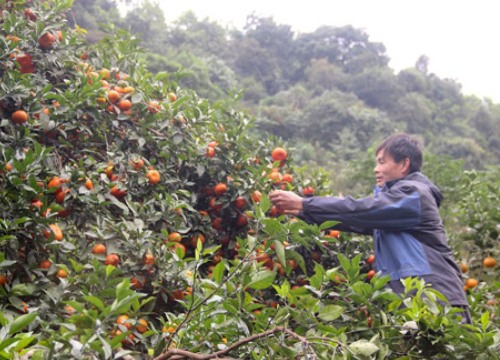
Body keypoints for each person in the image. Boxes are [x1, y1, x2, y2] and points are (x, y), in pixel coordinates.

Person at [269, 133, 471, 323]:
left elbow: (362, 210)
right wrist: (304, 212)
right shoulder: (396, 202)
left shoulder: (413, 194)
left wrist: (306, 204)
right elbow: (355, 220)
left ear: (404, 165)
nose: (376, 169)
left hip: (437, 298)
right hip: (413, 299)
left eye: (382, 162)